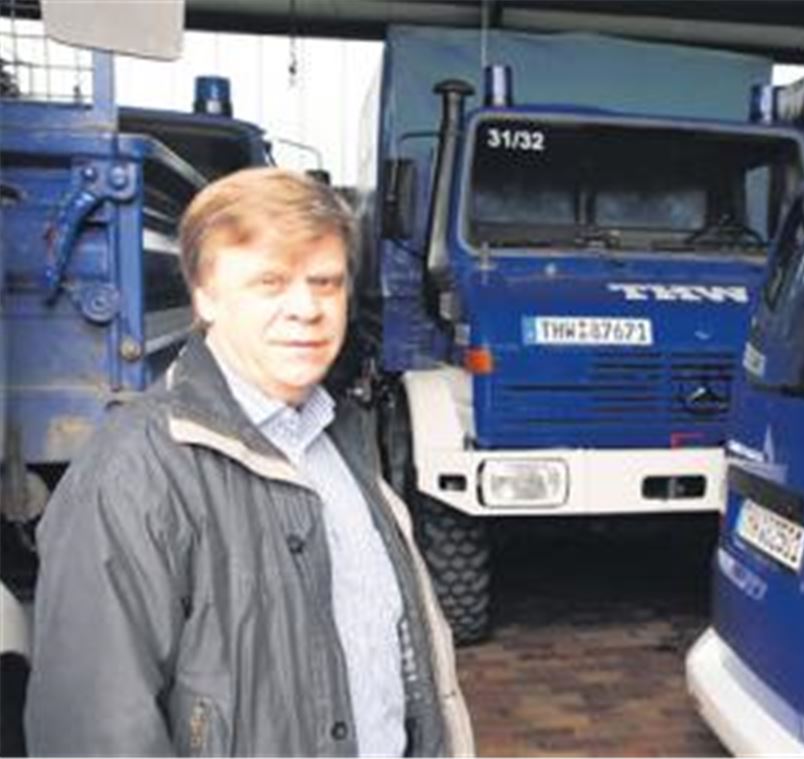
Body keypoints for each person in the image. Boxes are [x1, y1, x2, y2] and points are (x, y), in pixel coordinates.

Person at [25, 168, 474, 756]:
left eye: (326, 282)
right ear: (204, 296)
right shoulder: (132, 475)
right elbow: (93, 733)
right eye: (271, 282)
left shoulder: (342, 439)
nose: (306, 309)